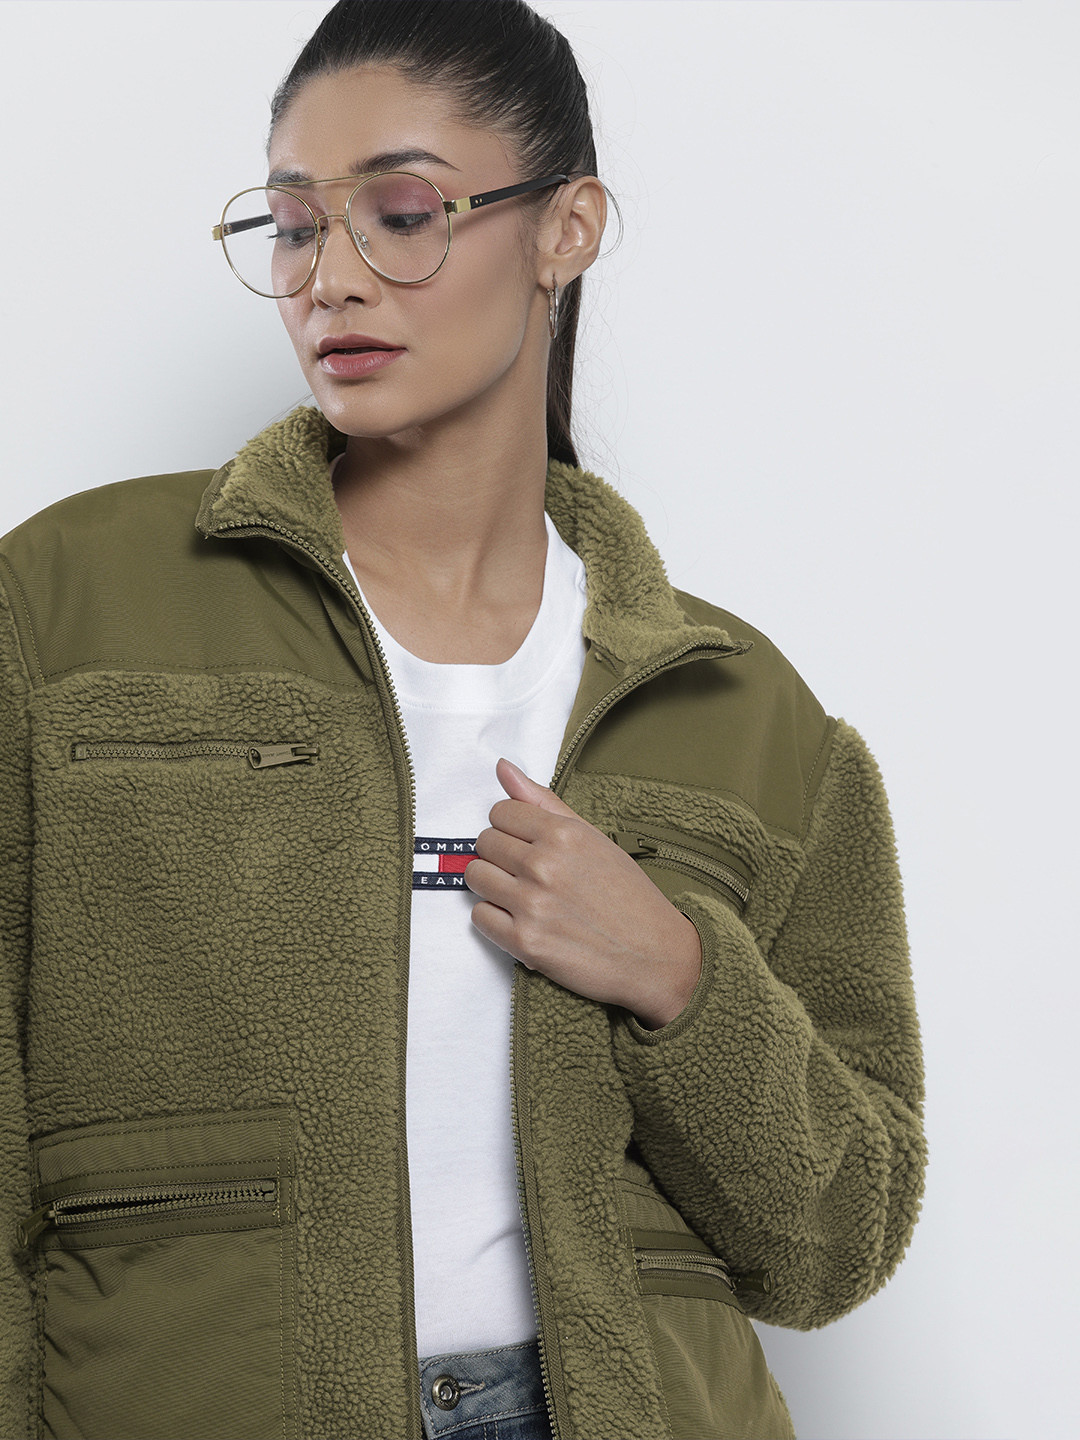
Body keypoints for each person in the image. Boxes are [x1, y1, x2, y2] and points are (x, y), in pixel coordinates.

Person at [0, 2, 926, 1437]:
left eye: (404, 214)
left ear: (566, 230)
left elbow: (836, 1245)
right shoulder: (66, 609)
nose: (331, 278)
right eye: (294, 228)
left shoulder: (745, 713)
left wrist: (681, 977)